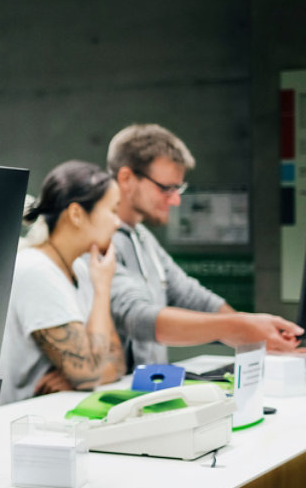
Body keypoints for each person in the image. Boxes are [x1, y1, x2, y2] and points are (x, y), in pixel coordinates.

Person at [107, 124, 302, 368]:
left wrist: (257, 333)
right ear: (126, 178)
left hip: (144, 391)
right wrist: (238, 328)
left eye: (178, 189)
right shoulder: (99, 238)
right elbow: (139, 318)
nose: (176, 199)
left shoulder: (142, 237)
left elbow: (193, 297)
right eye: (166, 188)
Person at [0, 160, 125, 404]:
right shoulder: (37, 270)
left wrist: (84, 375)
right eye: (112, 210)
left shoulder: (84, 269)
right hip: (17, 425)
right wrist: (103, 290)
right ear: (77, 214)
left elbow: (117, 362)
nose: (117, 223)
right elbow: (90, 372)